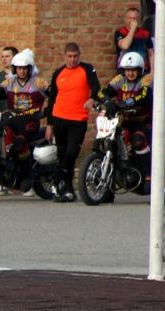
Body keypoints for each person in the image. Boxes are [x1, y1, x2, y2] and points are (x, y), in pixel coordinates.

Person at [0, 49, 49, 195]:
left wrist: (47, 111)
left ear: (29, 68)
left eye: (25, 68)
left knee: (19, 143)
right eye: (19, 68)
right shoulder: (9, 82)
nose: (22, 71)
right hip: (12, 118)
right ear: (15, 69)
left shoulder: (38, 82)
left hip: (30, 120)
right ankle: (2, 166)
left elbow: (55, 94)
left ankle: (27, 175)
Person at [45, 42, 100, 203]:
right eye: (69, 56)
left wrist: (92, 98)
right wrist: (49, 124)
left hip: (78, 119)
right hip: (59, 118)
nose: (72, 59)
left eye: (75, 56)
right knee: (62, 154)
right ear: (64, 56)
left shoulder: (87, 69)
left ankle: (56, 179)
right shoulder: (58, 73)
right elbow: (52, 99)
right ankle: (68, 190)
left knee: (71, 153)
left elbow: (96, 86)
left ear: (79, 55)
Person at [98, 52, 153, 197]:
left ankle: (149, 176)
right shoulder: (119, 79)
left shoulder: (145, 79)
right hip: (124, 121)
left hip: (142, 122)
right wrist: (106, 101)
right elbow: (102, 93)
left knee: (138, 141)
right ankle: (108, 188)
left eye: (134, 70)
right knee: (111, 144)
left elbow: (144, 96)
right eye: (127, 70)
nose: (130, 73)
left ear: (140, 70)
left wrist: (127, 102)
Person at [115, 6, 153, 74]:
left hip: (142, 70)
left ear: (138, 20)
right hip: (124, 70)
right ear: (126, 19)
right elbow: (125, 46)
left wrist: (152, 70)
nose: (132, 20)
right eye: (130, 18)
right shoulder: (120, 32)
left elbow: (151, 53)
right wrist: (132, 30)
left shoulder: (145, 33)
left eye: (134, 18)